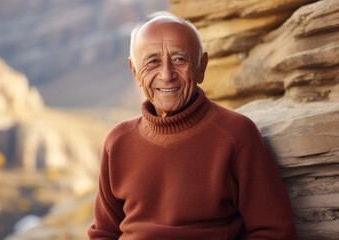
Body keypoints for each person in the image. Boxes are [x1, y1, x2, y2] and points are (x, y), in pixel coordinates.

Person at [87, 11, 298, 239]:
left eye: (179, 59)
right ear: (135, 71)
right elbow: (103, 233)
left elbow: (275, 233)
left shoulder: (237, 134)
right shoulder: (118, 140)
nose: (167, 75)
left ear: (201, 67)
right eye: (152, 61)